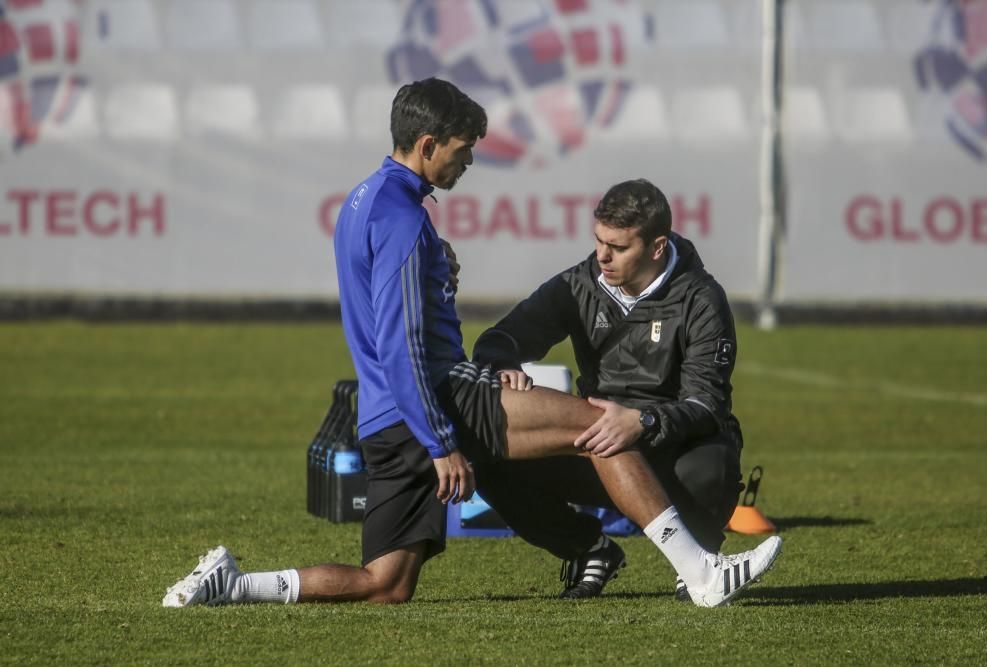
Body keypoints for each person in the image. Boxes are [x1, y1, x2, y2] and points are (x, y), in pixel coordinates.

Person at [161, 80, 780, 610]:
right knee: (596, 425)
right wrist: (441, 444)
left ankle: (235, 585)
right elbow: (401, 341)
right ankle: (702, 575)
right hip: (435, 397)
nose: (469, 163)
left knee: (385, 584)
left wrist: (434, 272)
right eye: (463, 151)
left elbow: (384, 297)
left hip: (383, 419)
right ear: (428, 146)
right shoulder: (405, 220)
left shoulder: (362, 202)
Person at [472, 178, 755, 601]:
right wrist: (503, 362)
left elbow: (707, 403)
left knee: (713, 461)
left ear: (657, 247)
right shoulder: (578, 285)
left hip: (671, 445)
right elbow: (502, 336)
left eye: (618, 247)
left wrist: (643, 421)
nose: (602, 256)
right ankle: (588, 550)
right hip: (599, 445)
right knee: (487, 455)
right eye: (598, 241)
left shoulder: (701, 299)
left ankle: (694, 561)